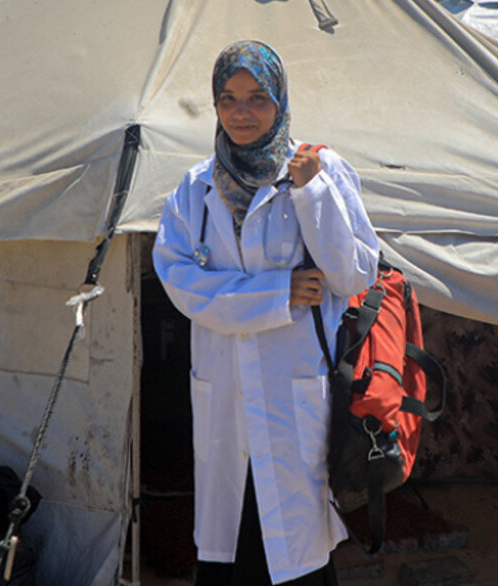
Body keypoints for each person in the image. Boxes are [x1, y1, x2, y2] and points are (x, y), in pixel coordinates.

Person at [153, 40, 380, 586]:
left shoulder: (323, 172)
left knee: (296, 547)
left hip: (291, 393)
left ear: (280, 101)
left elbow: (352, 277)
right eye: (228, 99)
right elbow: (181, 283)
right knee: (229, 546)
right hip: (224, 393)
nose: (242, 113)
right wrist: (277, 295)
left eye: (257, 98)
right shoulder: (195, 187)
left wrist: (312, 193)